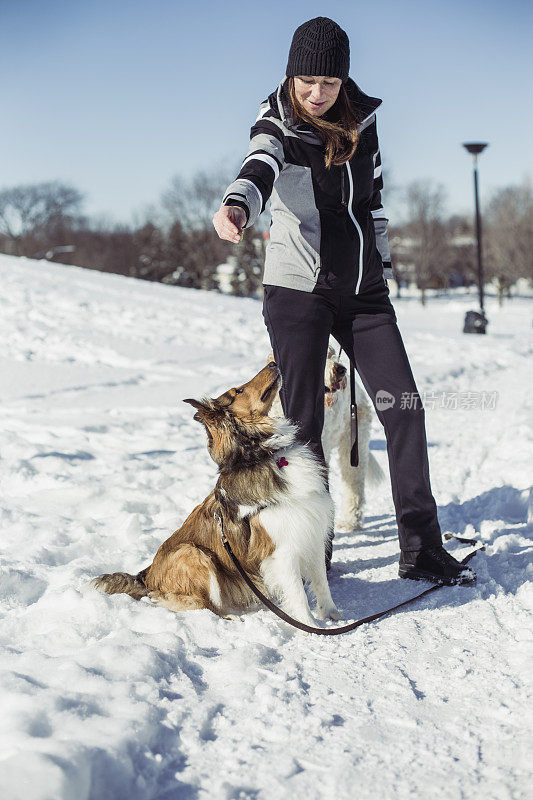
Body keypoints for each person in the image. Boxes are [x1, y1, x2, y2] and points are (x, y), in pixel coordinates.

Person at [212, 16, 475, 585]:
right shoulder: (276, 119)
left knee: (404, 407)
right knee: (304, 425)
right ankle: (314, 557)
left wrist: (377, 272)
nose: (316, 93)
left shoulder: (364, 121)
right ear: (291, 76)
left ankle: (421, 547)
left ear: (344, 79)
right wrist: (238, 204)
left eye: (328, 83)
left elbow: (373, 202)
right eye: (306, 81)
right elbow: (258, 165)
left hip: (361, 289)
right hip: (298, 289)